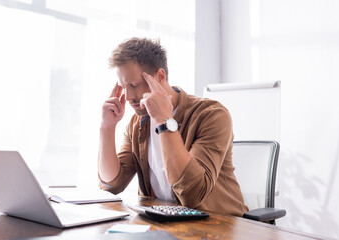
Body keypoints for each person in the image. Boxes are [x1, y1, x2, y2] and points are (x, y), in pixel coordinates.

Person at [98, 37, 248, 216]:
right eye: (124, 87)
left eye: (134, 85)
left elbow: (192, 194)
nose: (128, 96)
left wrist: (164, 121)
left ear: (160, 77)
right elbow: (112, 185)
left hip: (220, 225)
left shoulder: (211, 115)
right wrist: (107, 127)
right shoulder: (138, 123)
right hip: (167, 224)